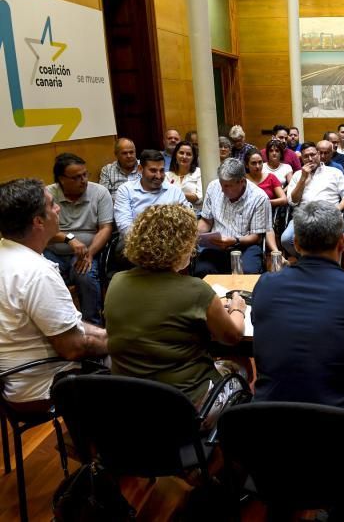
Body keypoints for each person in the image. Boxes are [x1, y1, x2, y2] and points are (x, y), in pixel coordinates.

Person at [105, 204, 246, 420]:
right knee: (241, 366)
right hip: (185, 407)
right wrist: (237, 308)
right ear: (181, 246)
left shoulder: (116, 282)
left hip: (130, 403)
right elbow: (232, 336)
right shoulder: (197, 290)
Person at [251, 200, 344, 412]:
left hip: (269, 426)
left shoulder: (265, 285)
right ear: (342, 243)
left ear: (296, 244)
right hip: (335, 428)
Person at [0, 179, 108, 413]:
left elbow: (67, 324)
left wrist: (106, 333)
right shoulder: (36, 273)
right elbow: (73, 348)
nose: (58, 208)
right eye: (51, 206)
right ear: (38, 221)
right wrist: (121, 341)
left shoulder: (6, 252)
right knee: (134, 364)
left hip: (14, 382)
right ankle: (99, 445)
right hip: (45, 387)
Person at [45, 153, 113, 326]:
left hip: (88, 250)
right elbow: (41, 231)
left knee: (85, 275)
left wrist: (89, 254)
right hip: (53, 251)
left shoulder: (99, 192)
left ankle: (93, 325)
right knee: (44, 277)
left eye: (85, 174)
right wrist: (70, 239)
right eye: (76, 177)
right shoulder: (47, 195)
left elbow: (106, 228)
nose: (83, 180)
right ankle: (60, 325)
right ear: (61, 179)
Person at [196, 158, 278, 276]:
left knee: (248, 272)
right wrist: (195, 235)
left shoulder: (259, 198)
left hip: (244, 245)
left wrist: (235, 240)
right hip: (216, 245)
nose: (223, 190)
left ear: (242, 181)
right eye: (221, 184)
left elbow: (256, 237)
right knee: (202, 271)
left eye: (228, 186)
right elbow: (206, 221)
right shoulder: (213, 187)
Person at [281, 143, 344, 257]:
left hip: (328, 216)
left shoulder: (334, 172)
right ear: (302, 158)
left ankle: (319, 264)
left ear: (318, 154)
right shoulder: (297, 175)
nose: (310, 159)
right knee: (286, 239)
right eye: (306, 156)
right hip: (303, 217)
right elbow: (293, 201)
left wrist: (336, 209)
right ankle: (307, 261)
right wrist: (303, 179)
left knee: (326, 242)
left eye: (313, 154)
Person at [114, 149, 191, 236]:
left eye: (161, 171)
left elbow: (188, 220)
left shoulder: (174, 191)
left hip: (172, 242)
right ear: (140, 169)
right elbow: (125, 228)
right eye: (153, 171)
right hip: (137, 243)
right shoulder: (126, 190)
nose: (158, 176)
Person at [166, 140, 203, 213]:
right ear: (176, 155)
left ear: (193, 158)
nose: (184, 156)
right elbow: (165, 198)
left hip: (195, 214)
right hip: (172, 214)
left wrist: (174, 192)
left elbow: (199, 198)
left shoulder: (199, 173)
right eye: (181, 153)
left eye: (188, 154)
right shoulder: (167, 175)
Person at [99, 137, 140, 201]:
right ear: (116, 154)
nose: (129, 156)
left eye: (131, 152)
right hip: (117, 208)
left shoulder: (145, 166)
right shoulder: (107, 170)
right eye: (124, 153)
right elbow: (103, 197)